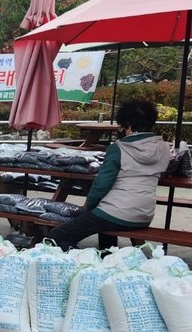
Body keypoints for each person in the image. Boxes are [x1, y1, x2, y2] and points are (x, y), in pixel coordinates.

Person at [49, 99, 171, 251]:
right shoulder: (164, 149)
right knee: (102, 219)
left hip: (116, 213)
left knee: (56, 236)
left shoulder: (118, 149)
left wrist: (88, 207)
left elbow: (101, 185)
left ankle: (83, 265)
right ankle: (107, 258)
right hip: (144, 215)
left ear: (127, 124)